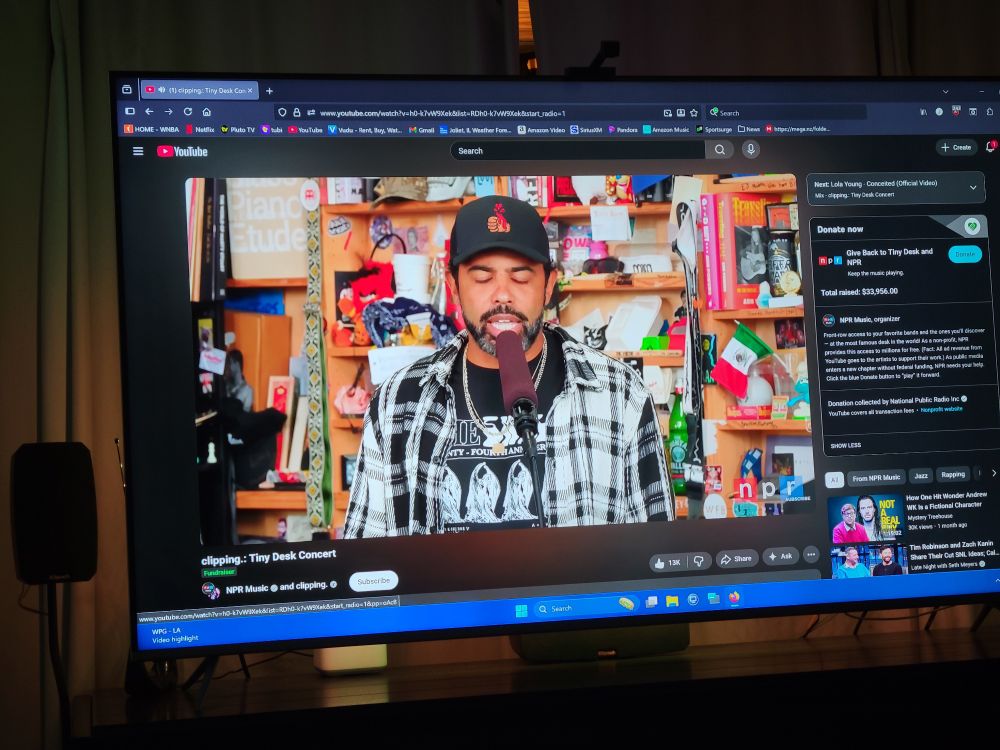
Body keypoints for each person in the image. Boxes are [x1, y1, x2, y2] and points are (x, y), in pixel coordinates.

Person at [345, 195, 674, 537]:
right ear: (454, 286)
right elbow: (365, 562)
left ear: (548, 286)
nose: (502, 296)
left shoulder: (619, 393)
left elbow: (658, 555)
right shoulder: (397, 403)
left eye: (520, 278)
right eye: (483, 278)